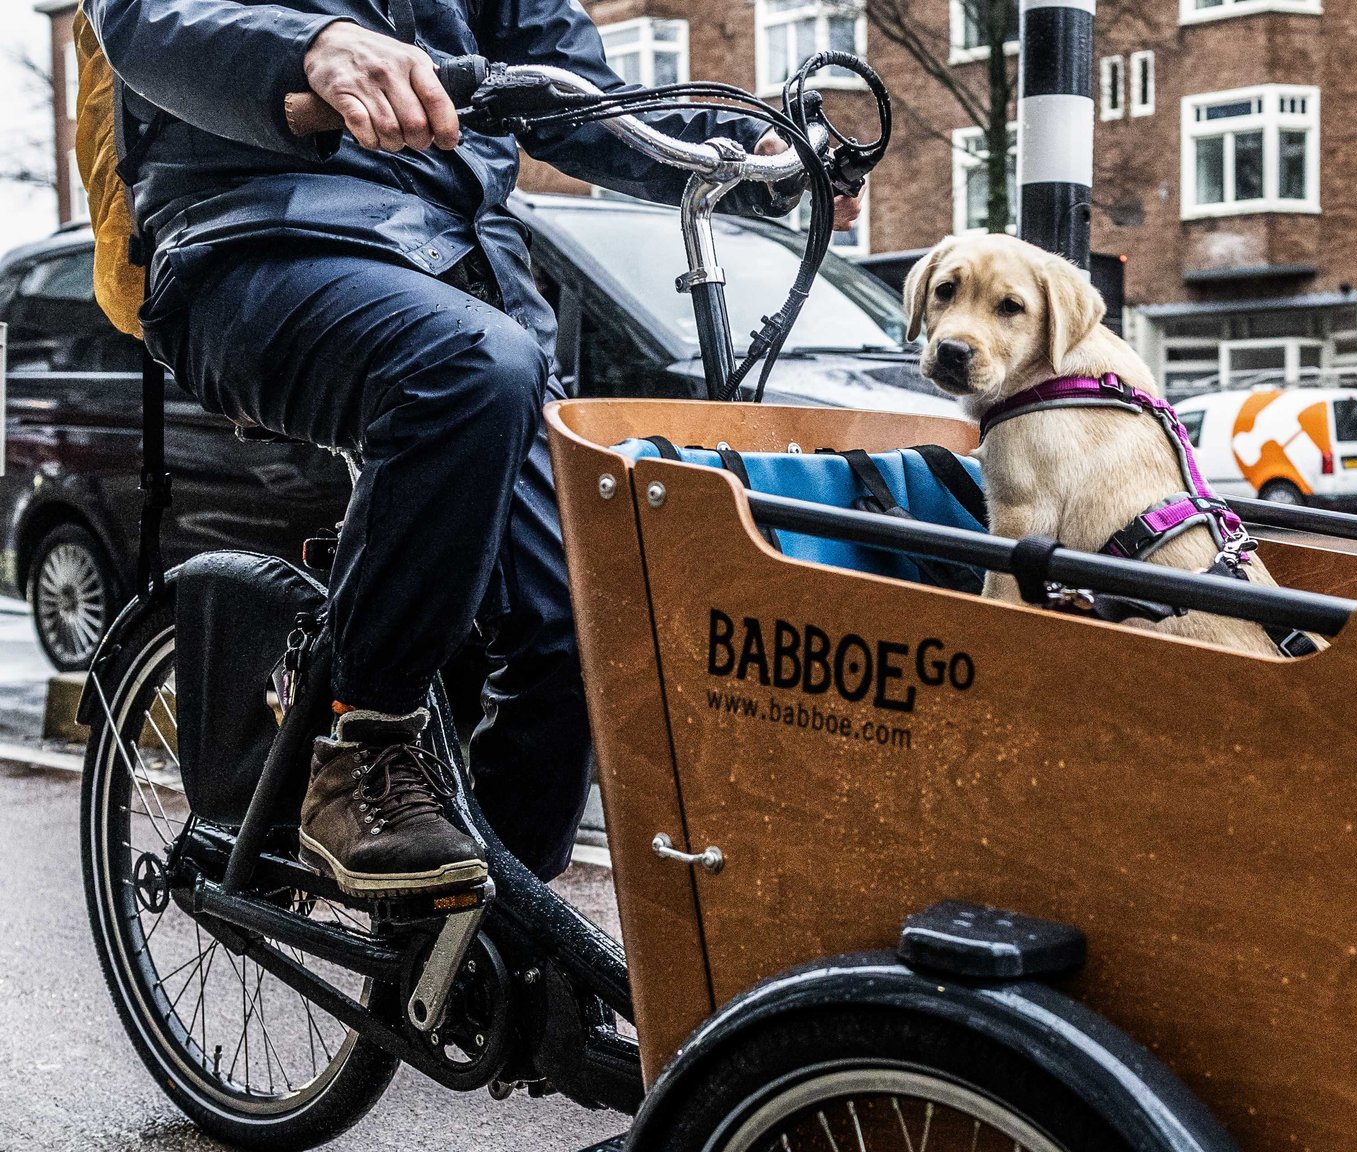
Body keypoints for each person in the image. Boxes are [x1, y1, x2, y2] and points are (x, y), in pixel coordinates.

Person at [87, 0, 862, 893]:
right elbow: (147, 14)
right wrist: (308, 47)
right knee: (469, 364)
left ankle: (494, 974)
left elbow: (582, 96)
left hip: (462, 262)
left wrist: (755, 153)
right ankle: (362, 748)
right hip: (255, 235)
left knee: (587, 619)